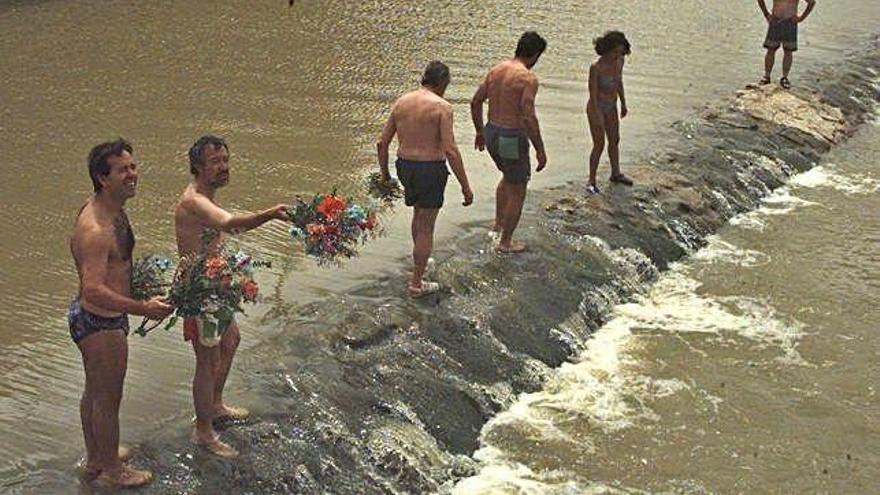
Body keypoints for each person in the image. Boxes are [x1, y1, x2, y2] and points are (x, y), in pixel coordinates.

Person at [174, 135, 288, 457]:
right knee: (206, 360)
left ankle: (215, 406)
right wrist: (269, 214)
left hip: (216, 285)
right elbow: (231, 225)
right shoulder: (194, 200)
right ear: (197, 167)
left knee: (232, 340)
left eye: (225, 160)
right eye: (215, 162)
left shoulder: (207, 196)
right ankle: (203, 432)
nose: (223, 167)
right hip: (200, 290)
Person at [69, 139, 174, 488]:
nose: (132, 174)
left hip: (95, 317)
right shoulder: (96, 228)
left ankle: (97, 457)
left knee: (95, 391)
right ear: (102, 178)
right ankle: (113, 471)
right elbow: (93, 288)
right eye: (123, 170)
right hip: (99, 320)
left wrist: (138, 290)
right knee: (108, 397)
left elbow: (116, 268)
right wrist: (142, 307)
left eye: (133, 166)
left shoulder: (111, 206)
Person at [377, 61, 474, 297]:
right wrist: (465, 186)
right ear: (442, 83)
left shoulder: (401, 102)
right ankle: (417, 283)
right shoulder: (442, 107)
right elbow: (450, 150)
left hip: (405, 166)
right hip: (430, 168)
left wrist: (385, 175)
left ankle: (420, 261)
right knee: (427, 225)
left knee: (418, 214)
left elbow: (382, 143)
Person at [471, 31, 547, 253]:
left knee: (508, 177)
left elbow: (475, 102)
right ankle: (505, 242)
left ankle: (498, 225)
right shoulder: (528, 78)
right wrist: (540, 150)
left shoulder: (496, 70)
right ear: (535, 55)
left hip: (491, 131)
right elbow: (528, 116)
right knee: (518, 188)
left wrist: (479, 132)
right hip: (510, 136)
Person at [585, 31, 633, 194]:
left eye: (620, 52)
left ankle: (615, 173)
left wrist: (623, 103)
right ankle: (591, 180)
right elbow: (593, 95)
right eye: (614, 52)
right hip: (596, 106)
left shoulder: (620, 61)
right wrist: (597, 115)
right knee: (599, 144)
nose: (617, 55)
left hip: (612, 105)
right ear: (606, 50)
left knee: (615, 139)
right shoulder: (596, 68)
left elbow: (619, 82)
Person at [758, 0, 817, 89]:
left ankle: (785, 77)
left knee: (788, 51)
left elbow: (812, 2)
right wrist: (766, 14)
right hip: (775, 21)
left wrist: (801, 18)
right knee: (771, 49)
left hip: (790, 22)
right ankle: (767, 76)